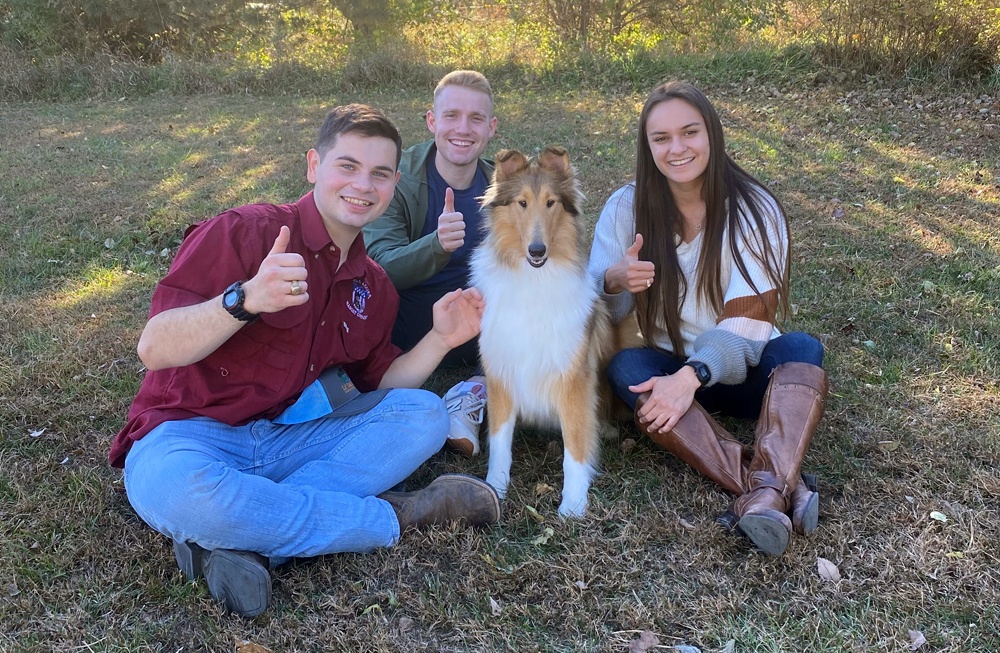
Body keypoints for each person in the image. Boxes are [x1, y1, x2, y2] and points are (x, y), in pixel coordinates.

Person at [110, 104, 501, 618]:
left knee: (424, 414)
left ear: (392, 186)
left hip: (282, 440)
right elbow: (154, 347)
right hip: (184, 438)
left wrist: (439, 340)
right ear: (314, 166)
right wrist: (245, 300)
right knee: (184, 495)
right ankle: (397, 517)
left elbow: (380, 382)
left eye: (380, 174)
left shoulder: (372, 285)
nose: (363, 184)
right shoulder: (245, 232)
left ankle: (241, 540)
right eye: (348, 166)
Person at [588, 81, 828, 556]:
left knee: (802, 350)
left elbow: (749, 317)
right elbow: (596, 308)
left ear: (712, 134)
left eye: (689, 132)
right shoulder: (624, 208)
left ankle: (760, 491)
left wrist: (692, 375)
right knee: (627, 369)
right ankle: (775, 489)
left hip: (741, 374)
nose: (676, 148)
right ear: (647, 145)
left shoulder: (755, 209)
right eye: (661, 138)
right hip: (666, 370)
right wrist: (614, 281)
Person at [363, 70, 498, 458]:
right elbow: (382, 268)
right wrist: (436, 245)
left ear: (491, 128)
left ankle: (472, 392)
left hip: (483, 322)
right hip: (411, 326)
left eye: (476, 119)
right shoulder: (397, 179)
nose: (463, 128)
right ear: (432, 120)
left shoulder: (501, 186)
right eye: (451, 115)